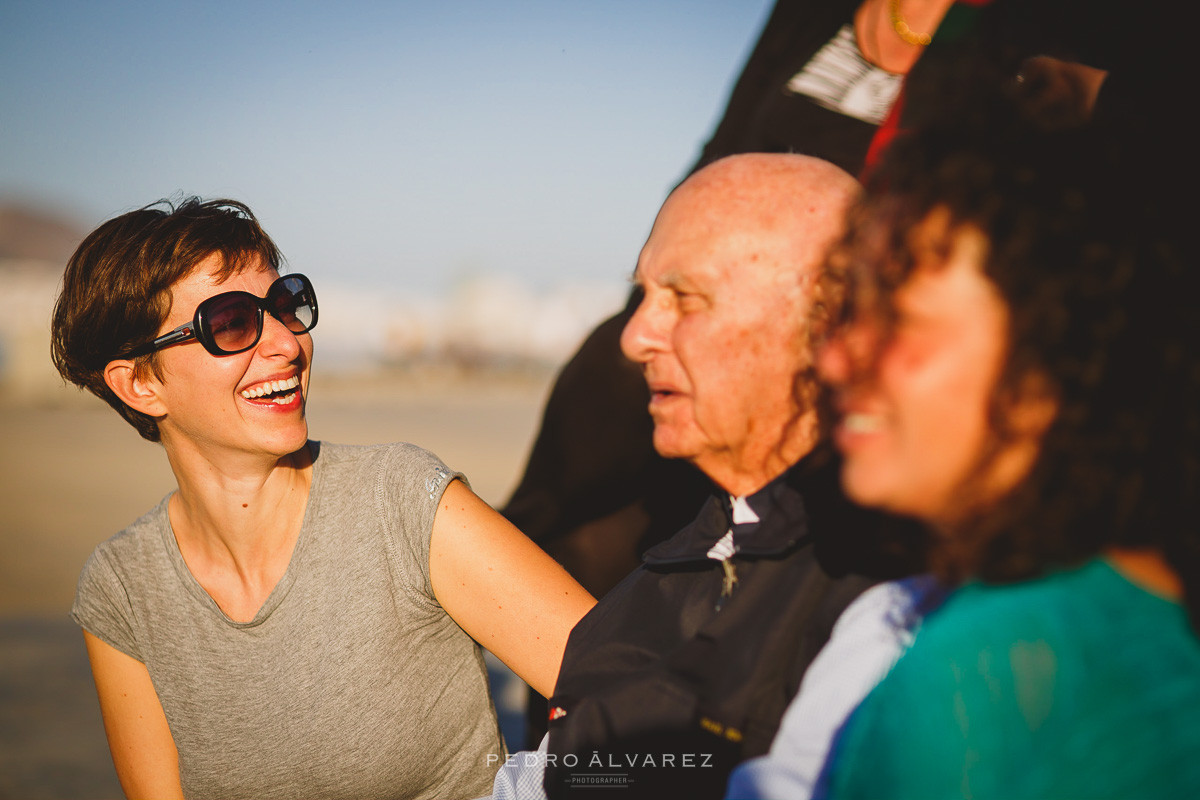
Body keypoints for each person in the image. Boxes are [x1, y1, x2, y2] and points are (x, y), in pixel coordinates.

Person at [50, 198, 595, 800]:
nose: (286, 342)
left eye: (285, 306)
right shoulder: (124, 587)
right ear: (140, 383)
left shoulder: (400, 503)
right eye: (231, 322)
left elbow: (630, 685)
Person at [490, 153, 924, 800]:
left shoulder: (898, 592)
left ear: (828, 321)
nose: (635, 337)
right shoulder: (659, 576)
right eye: (642, 296)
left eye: (683, 298)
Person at [808, 105, 1200, 797]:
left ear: (1053, 363)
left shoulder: (992, 670)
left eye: (900, 320)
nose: (837, 358)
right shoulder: (1150, 621)